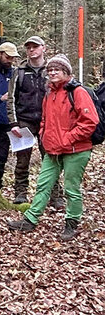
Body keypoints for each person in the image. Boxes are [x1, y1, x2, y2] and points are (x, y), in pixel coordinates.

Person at [7, 54, 98, 240]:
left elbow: (90, 122)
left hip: (76, 150)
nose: (53, 73)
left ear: (66, 72)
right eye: (50, 70)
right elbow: (45, 120)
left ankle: (71, 223)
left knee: (71, 188)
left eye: (57, 69)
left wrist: (68, 138)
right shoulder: (50, 93)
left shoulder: (78, 92)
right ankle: (30, 219)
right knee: (43, 184)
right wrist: (44, 135)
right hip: (53, 149)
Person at [7, 36, 64, 208]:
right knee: (22, 160)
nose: (32, 50)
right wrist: (14, 123)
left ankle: (55, 196)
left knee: (51, 158)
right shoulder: (20, 72)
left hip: (48, 123)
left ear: (43, 48)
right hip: (24, 121)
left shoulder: (52, 71)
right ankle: (20, 193)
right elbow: (11, 99)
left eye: (35, 47)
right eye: (29, 47)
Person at [0, 42, 18, 188]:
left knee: (1, 156)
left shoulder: (14, 73)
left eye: (13, 58)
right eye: (8, 57)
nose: (10, 61)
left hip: (5, 122)